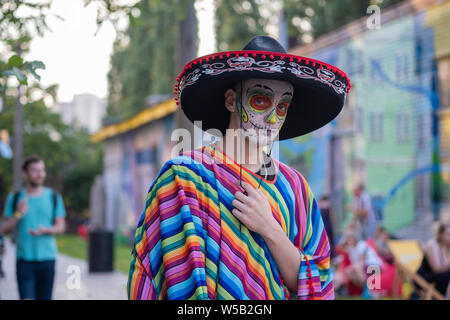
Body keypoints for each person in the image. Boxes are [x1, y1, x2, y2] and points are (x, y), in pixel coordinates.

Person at [127, 36, 351, 300]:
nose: (273, 117)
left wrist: (270, 229)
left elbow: (318, 285)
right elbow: (150, 274)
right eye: (260, 101)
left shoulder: (295, 188)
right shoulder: (183, 178)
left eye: (282, 106)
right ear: (232, 101)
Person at [0, 155, 66, 300]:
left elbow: (61, 227)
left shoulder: (53, 196)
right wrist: (18, 214)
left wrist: (46, 230)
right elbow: (3, 229)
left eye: (42, 170)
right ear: (25, 174)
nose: (40, 174)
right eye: (35, 170)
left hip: (48, 259)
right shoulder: (15, 197)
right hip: (24, 260)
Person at [416, 223, 450, 299]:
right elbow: (436, 269)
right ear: (440, 234)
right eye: (448, 234)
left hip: (439, 277)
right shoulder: (433, 245)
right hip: (424, 277)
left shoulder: (447, 246)